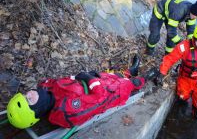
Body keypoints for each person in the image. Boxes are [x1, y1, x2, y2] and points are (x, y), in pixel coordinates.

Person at [7, 55, 159, 129]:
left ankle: (130, 71)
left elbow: (56, 82)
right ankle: (145, 78)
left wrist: (83, 77)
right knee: (127, 84)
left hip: (96, 83)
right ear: (37, 110)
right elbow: (100, 97)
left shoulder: (45, 91)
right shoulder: (67, 111)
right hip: (112, 94)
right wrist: (89, 79)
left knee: (111, 75)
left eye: (26, 95)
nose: (30, 93)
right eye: (29, 100)